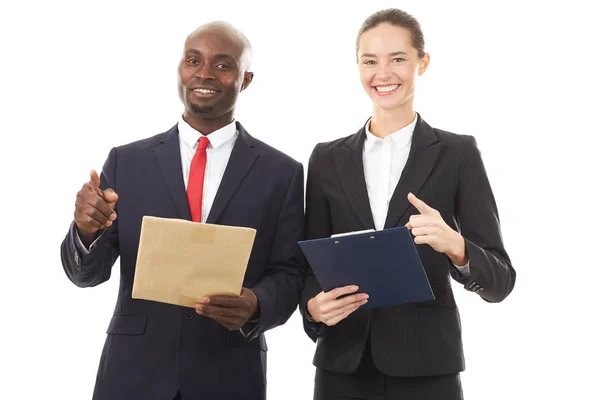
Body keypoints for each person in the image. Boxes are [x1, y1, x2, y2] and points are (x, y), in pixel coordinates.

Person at [60, 21, 305, 400]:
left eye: (223, 64)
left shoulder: (282, 173)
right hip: (133, 373)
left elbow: (289, 272)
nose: (204, 73)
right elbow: (86, 275)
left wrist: (257, 305)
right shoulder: (127, 162)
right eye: (193, 60)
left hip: (230, 374)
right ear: (180, 69)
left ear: (246, 79)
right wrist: (86, 230)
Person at [299, 8, 516, 400]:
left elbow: (500, 280)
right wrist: (313, 309)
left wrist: (456, 245)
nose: (383, 74)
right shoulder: (326, 158)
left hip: (427, 368)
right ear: (358, 67)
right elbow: (310, 267)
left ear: (422, 62)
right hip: (342, 367)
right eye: (370, 61)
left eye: (397, 59)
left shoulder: (457, 153)